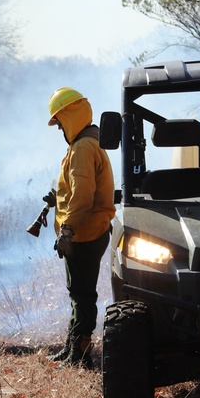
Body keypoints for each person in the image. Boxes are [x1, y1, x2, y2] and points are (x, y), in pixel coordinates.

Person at [45, 87, 116, 368]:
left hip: (85, 234)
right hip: (89, 231)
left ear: (69, 116)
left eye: (60, 121)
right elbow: (77, 188)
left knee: (83, 294)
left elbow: (83, 196)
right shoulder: (87, 142)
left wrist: (68, 230)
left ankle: (81, 354)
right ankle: (72, 344)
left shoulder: (83, 147)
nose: (60, 127)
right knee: (78, 292)